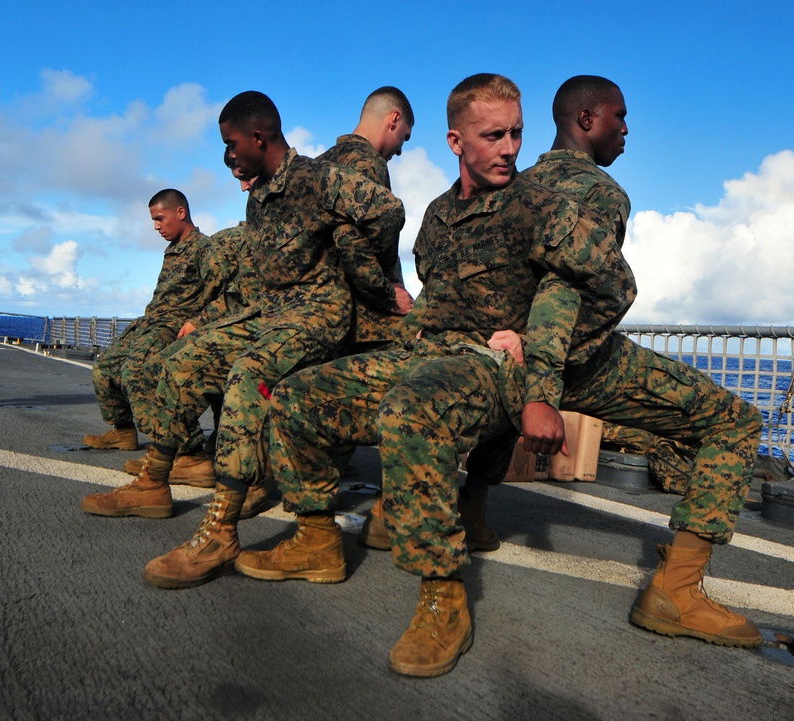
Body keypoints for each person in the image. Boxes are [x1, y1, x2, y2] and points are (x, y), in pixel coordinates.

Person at [233, 73, 618, 678]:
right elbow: (433, 292)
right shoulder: (438, 216)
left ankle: (444, 596)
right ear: (456, 142)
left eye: (516, 133)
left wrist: (542, 352)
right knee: (300, 394)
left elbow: (613, 284)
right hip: (427, 351)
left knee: (412, 410)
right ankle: (316, 538)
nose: (511, 148)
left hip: (492, 367)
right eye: (494, 135)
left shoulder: (543, 208)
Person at [80, 91, 406, 590]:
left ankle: (221, 530)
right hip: (270, 313)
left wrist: (358, 263)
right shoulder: (260, 195)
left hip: (317, 313)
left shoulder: (316, 178)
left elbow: (387, 211)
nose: (228, 155)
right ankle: (153, 483)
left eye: (230, 144)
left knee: (248, 378)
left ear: (258, 137)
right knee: (183, 359)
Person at [503, 75, 765, 649]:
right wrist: (543, 388)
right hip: (567, 360)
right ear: (587, 120)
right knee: (735, 420)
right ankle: (677, 592)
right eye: (619, 117)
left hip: (510, 354)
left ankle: (466, 513)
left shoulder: (517, 185)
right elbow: (564, 287)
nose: (627, 129)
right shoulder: (599, 191)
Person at [82, 190, 219, 489]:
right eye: (153, 220)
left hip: (171, 328)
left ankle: (184, 454)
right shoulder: (172, 249)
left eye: (160, 218)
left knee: (138, 372)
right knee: (105, 366)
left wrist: (198, 321)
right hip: (148, 323)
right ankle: (122, 431)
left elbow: (222, 293)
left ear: (180, 213)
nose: (156, 226)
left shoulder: (205, 249)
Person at [317, 86, 415, 351]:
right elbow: (350, 240)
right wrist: (388, 295)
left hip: (321, 317)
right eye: (404, 138)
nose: (400, 151)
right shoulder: (369, 163)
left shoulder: (319, 163)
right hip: (365, 325)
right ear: (394, 119)